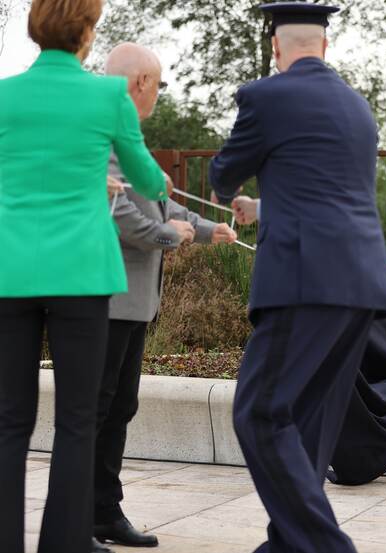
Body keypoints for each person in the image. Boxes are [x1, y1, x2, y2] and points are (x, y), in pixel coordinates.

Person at [208, 3, 386, 552]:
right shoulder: (357, 107)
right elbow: (326, 197)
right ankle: (288, 545)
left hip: (303, 282)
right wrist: (264, 207)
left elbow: (223, 173)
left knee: (259, 412)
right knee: (310, 421)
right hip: (361, 283)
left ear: (275, 47)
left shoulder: (266, 95)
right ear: (325, 46)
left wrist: (230, 193)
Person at [0, 1, 169, 552]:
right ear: (88, 34)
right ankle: (64, 544)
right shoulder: (107, 96)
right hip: (81, 273)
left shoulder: (4, 95)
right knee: (77, 421)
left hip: (11, 271)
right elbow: (147, 177)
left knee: (9, 421)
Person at [91, 43, 238, 552]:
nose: (158, 94)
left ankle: (103, 513)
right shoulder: (102, 134)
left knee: (118, 407)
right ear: (142, 83)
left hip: (131, 303)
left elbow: (157, 203)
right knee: (97, 409)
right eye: (159, 84)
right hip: (104, 297)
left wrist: (203, 229)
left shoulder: (125, 136)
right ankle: (88, 512)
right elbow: (119, 215)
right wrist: (170, 236)